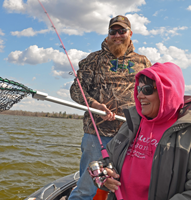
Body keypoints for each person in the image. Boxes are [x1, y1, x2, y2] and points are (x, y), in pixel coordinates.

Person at [69, 15, 152, 199]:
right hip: (96, 134)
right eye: (112, 32)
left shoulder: (143, 62)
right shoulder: (93, 60)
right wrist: (96, 105)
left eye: (122, 31)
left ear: (130, 33)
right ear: (107, 35)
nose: (117, 35)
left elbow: (152, 93)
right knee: (87, 187)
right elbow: (76, 91)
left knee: (126, 185)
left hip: (131, 134)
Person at [101, 62, 191, 200]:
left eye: (147, 90)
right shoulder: (132, 122)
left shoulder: (187, 132)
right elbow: (106, 160)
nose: (139, 95)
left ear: (168, 91)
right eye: (138, 89)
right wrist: (102, 175)